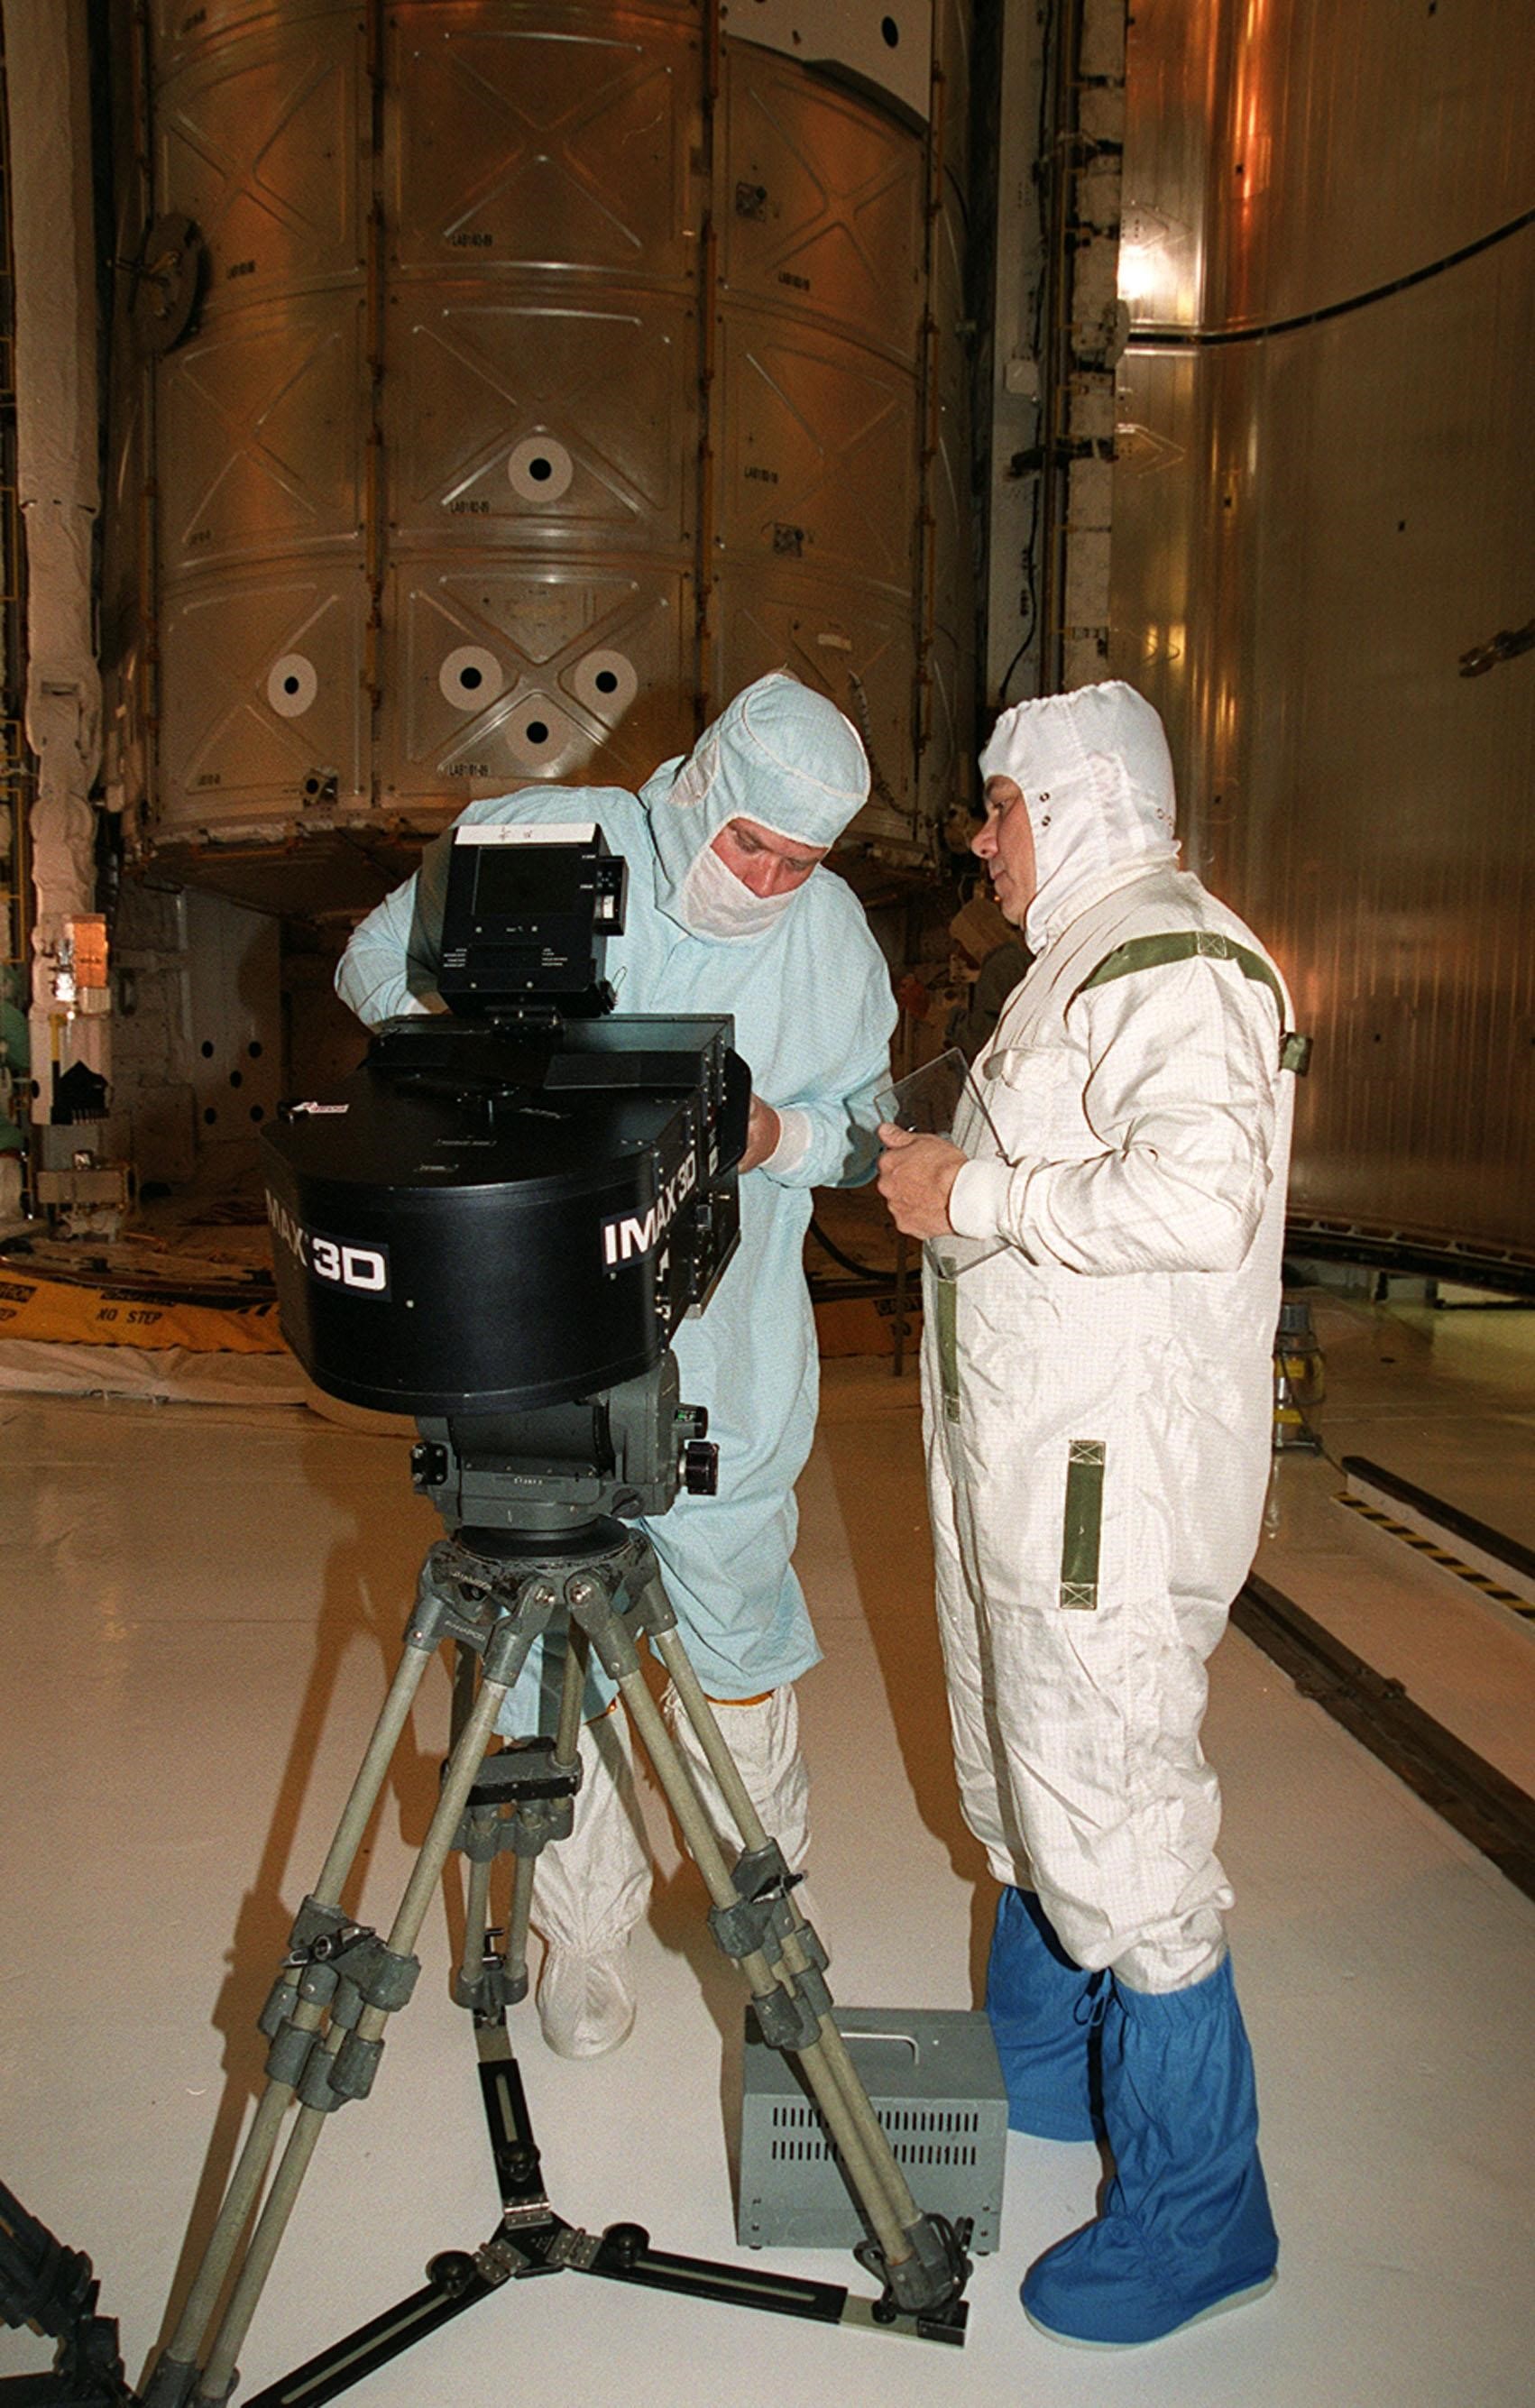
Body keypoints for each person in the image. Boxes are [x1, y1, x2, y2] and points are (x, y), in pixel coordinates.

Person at [338, 671, 896, 2058]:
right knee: (545, 1654)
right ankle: (579, 1937)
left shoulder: (828, 938)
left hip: (725, 1363)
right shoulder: (541, 838)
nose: (765, 883)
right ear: (700, 791)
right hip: (530, 1349)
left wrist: (777, 1137)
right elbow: (372, 956)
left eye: (797, 862)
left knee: (733, 1637)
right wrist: (449, 1049)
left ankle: (772, 1917)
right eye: (750, 844)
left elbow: (869, 1134)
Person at [876, 680, 1302, 2348]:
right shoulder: (1077, 958)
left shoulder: (1171, 958)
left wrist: (971, 1189)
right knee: (1025, 1777)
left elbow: (1199, 1192)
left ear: (1082, 804)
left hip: (1099, 1498)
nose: (980, 839)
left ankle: (1203, 2216)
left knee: (1118, 1818)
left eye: (1001, 806)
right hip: (1033, 1465)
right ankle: (1048, 2070)